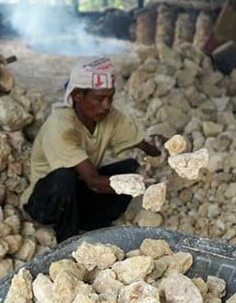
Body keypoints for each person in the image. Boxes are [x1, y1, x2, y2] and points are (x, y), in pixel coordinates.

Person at [20, 56, 162, 242]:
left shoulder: (110, 117)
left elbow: (145, 146)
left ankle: (90, 225)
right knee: (65, 177)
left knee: (130, 167)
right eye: (99, 98)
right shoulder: (60, 127)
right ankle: (67, 241)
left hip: (78, 194)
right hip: (45, 203)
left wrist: (161, 147)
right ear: (78, 95)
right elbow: (94, 182)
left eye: (110, 97)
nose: (106, 105)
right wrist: (138, 184)